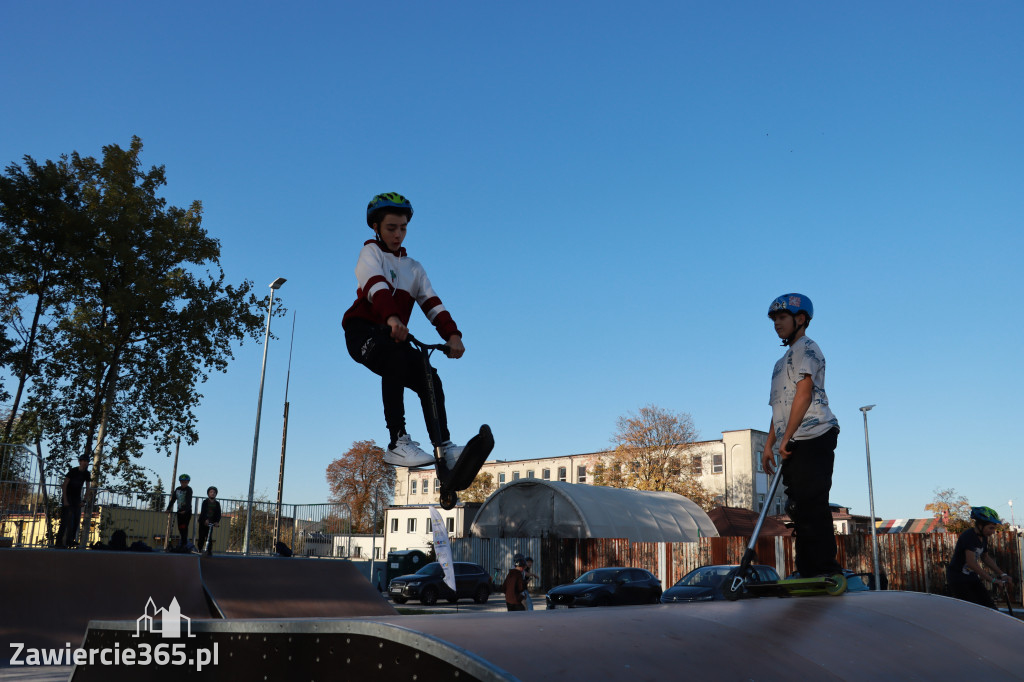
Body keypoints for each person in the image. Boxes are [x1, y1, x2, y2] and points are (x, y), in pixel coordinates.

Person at [342, 192, 466, 469]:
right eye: (391, 228)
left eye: (403, 228)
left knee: (429, 376)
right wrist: (393, 318)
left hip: (394, 333)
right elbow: (376, 286)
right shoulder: (370, 253)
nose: (398, 234)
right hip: (363, 332)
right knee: (394, 357)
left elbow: (432, 303)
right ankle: (397, 442)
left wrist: (452, 335)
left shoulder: (414, 268)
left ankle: (442, 446)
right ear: (376, 227)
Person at [761, 293, 843, 579]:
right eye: (774, 320)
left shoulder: (808, 348)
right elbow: (780, 406)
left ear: (800, 319)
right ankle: (806, 569)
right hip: (792, 441)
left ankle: (824, 569)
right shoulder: (779, 363)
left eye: (781, 318)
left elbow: (804, 394)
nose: (776, 324)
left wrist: (787, 438)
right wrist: (770, 443)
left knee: (812, 502)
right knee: (797, 508)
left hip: (815, 433)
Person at [946, 506, 1013, 608]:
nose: (993, 531)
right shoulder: (969, 536)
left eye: (994, 528)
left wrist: (1002, 574)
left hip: (970, 576)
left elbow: (985, 557)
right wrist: (993, 580)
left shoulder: (983, 537)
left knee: (989, 606)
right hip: (957, 577)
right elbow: (971, 563)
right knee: (972, 608)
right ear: (980, 525)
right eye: (991, 528)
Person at [56, 455, 92, 548]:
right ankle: (59, 542)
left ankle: (70, 541)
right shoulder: (73, 471)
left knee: (76, 520)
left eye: (86, 461)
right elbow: (64, 485)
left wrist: (84, 500)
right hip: (68, 496)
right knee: (66, 520)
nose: (85, 463)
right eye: (83, 461)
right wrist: (65, 500)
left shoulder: (87, 474)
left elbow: (88, 487)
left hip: (77, 498)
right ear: (80, 461)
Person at [165, 474, 194, 552]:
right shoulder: (177, 489)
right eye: (182, 482)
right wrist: (168, 508)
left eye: (185, 482)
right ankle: (182, 542)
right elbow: (173, 499)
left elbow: (188, 501)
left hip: (186, 512)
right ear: (180, 482)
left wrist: (186, 510)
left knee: (184, 527)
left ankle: (184, 543)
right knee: (180, 527)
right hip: (179, 511)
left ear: (188, 482)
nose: (184, 483)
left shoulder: (189, 489)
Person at [196, 486, 221, 556]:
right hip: (203, 522)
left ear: (216, 494)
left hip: (211, 522)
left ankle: (209, 550)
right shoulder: (205, 502)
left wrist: (216, 521)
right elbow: (203, 511)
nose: (212, 493)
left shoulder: (217, 504)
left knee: (209, 537)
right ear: (208, 494)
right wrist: (205, 519)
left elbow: (218, 514)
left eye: (214, 492)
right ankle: (200, 549)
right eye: (211, 492)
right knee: (201, 536)